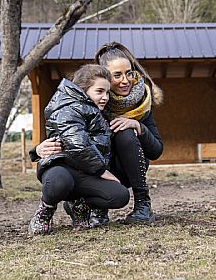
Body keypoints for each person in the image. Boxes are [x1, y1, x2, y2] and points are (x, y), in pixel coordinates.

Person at [35, 42, 163, 226]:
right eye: (117, 75)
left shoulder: (140, 105)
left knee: (125, 132)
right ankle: (92, 207)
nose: (125, 80)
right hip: (92, 168)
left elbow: (157, 150)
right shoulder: (90, 101)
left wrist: (138, 126)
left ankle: (143, 204)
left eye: (129, 73)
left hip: (123, 169)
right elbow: (69, 132)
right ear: (102, 76)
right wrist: (38, 148)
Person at [28, 64, 130, 235]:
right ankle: (45, 210)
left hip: (85, 170)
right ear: (83, 90)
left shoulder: (99, 110)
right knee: (60, 182)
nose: (105, 97)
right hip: (60, 166)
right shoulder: (67, 106)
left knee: (119, 195)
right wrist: (101, 171)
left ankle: (78, 203)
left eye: (107, 92)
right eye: (99, 91)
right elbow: (77, 143)